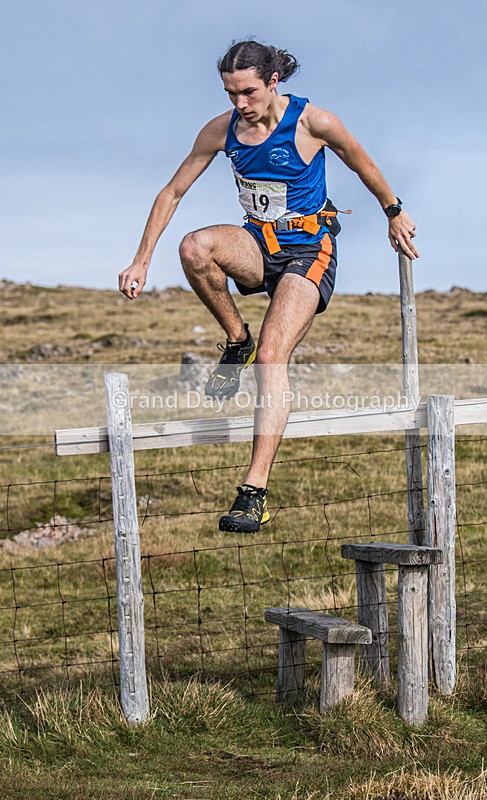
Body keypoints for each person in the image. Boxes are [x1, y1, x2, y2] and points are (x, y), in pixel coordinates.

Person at [118, 39, 419, 534]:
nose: (240, 104)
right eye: (230, 93)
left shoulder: (313, 122)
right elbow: (172, 191)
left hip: (308, 251)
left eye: (249, 92)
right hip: (258, 244)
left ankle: (253, 491)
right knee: (196, 248)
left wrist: (393, 211)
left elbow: (361, 161)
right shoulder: (221, 130)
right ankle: (237, 338)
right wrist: (140, 260)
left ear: (274, 82)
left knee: (274, 355)